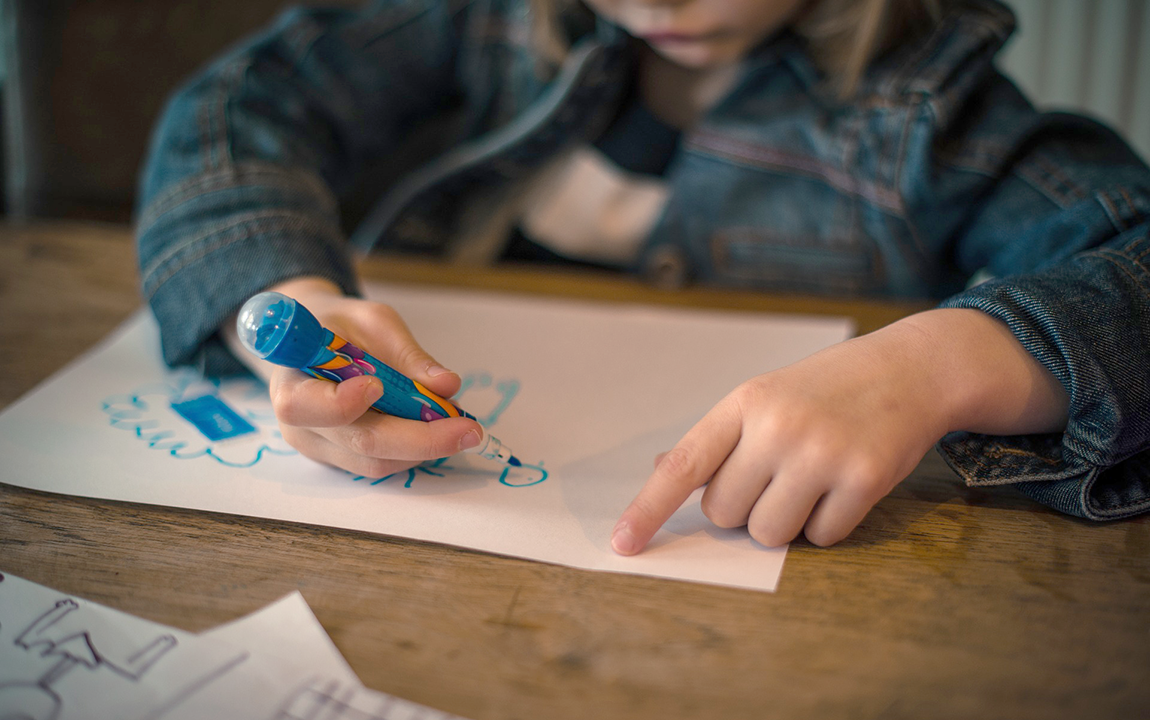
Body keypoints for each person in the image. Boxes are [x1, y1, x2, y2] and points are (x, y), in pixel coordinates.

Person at [136, 0, 1150, 555]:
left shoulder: (939, 108)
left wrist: (942, 363)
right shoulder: (482, 18)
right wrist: (281, 300)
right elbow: (242, 103)